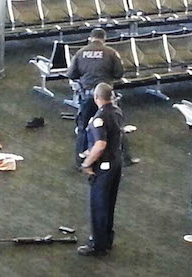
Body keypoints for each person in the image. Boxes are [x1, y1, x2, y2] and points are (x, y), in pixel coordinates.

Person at [67, 28, 139, 167]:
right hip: (106, 96)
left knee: (83, 127)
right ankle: (126, 158)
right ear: (104, 39)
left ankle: (80, 162)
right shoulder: (111, 53)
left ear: (90, 38)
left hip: (88, 95)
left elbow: (71, 74)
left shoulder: (81, 52)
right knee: (116, 126)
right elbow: (119, 73)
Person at [78, 83, 124, 256]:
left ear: (96, 98)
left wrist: (86, 163)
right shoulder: (117, 111)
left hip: (104, 166)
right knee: (109, 203)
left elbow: (100, 144)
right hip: (116, 162)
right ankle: (107, 239)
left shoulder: (99, 118)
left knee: (98, 205)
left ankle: (98, 245)